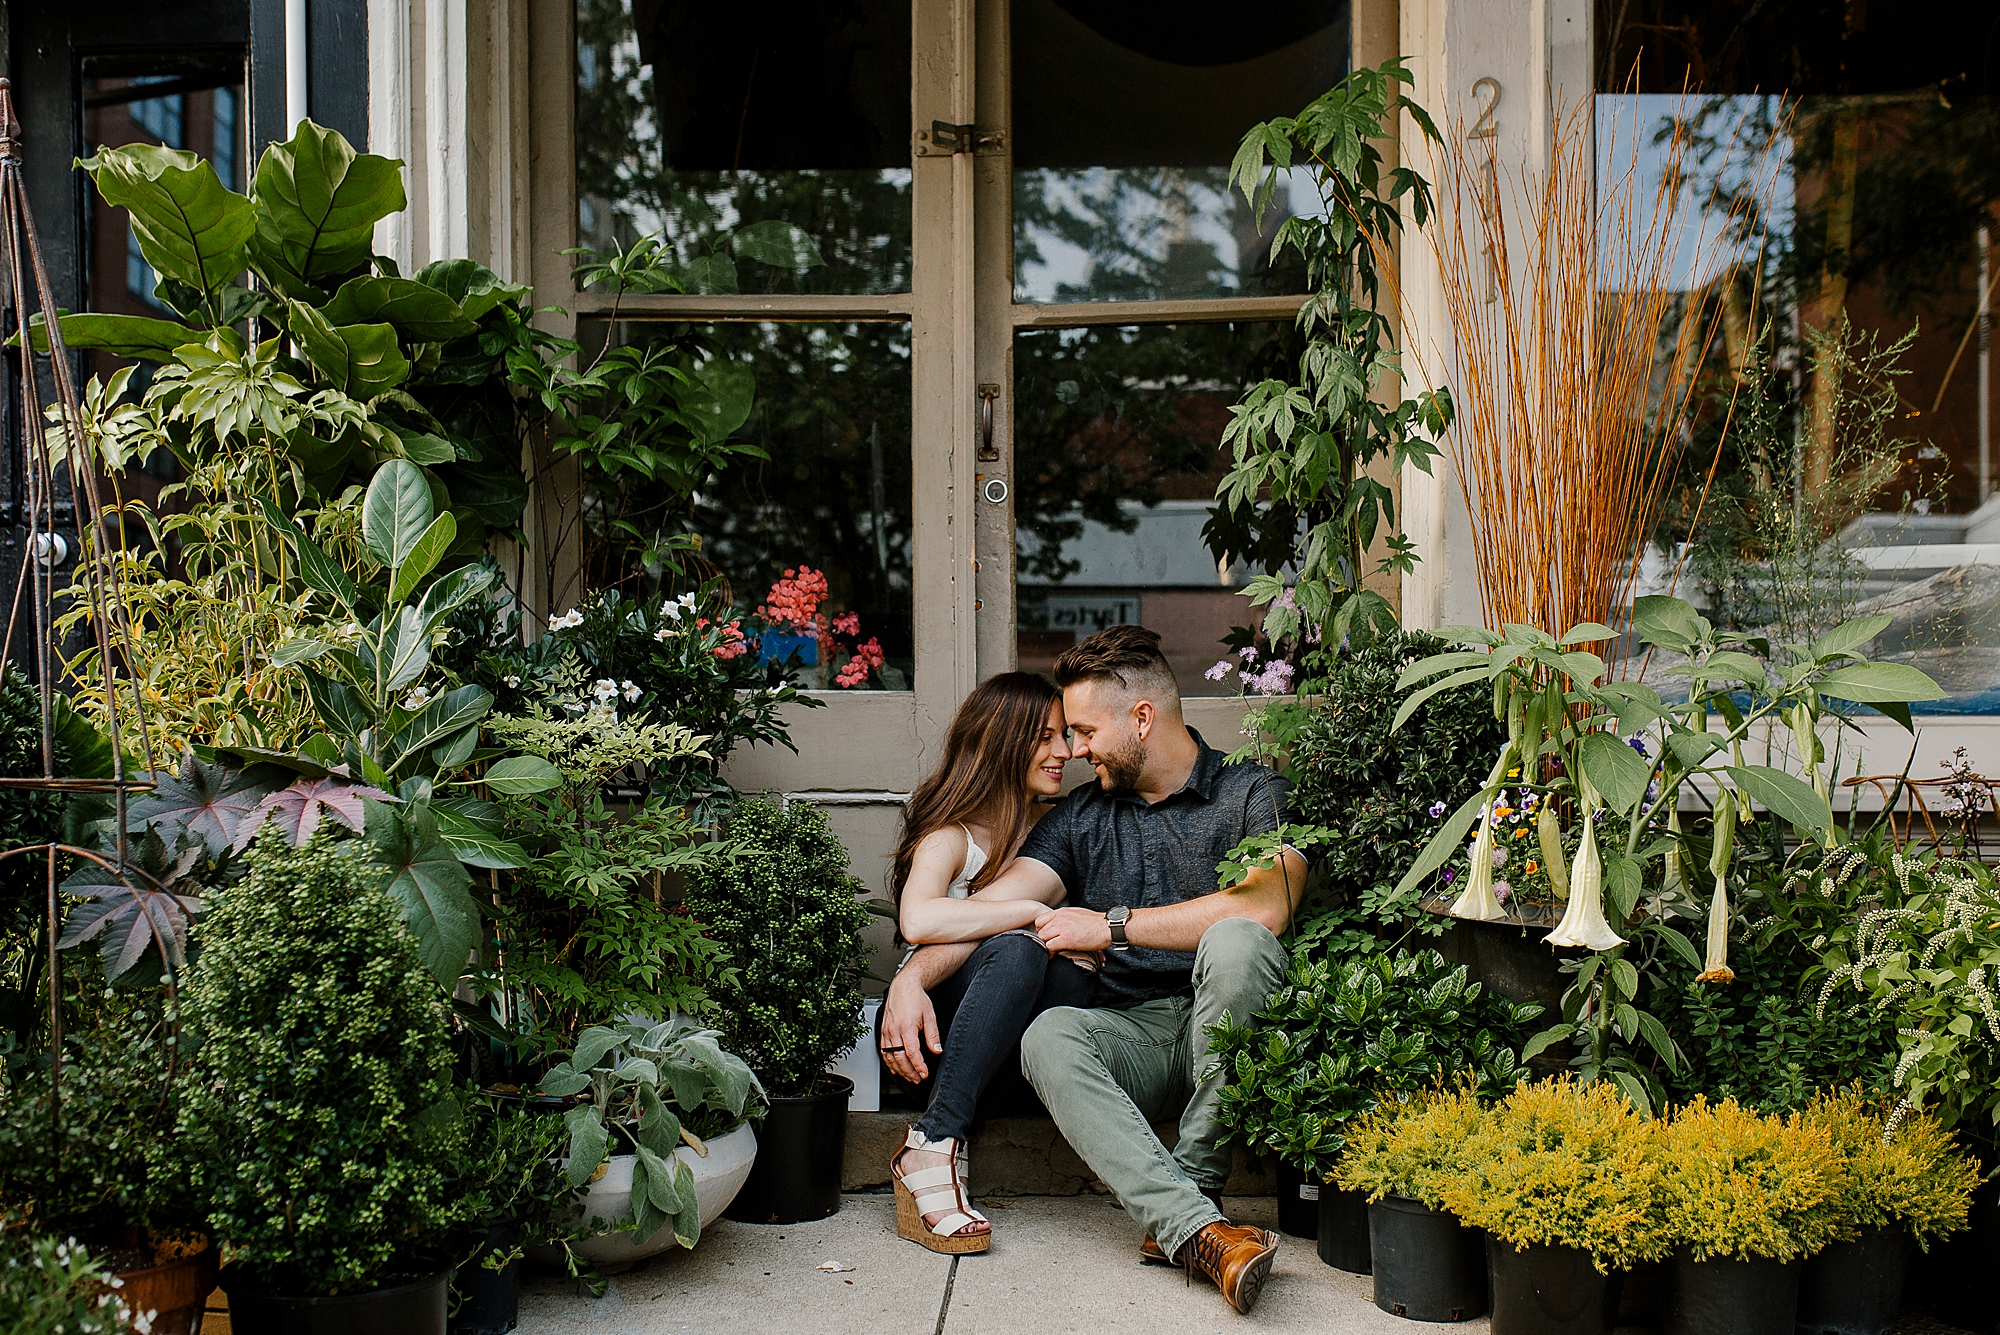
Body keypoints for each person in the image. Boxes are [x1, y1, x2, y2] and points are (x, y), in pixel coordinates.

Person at [881, 626, 1306, 1313]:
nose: (1074, 750)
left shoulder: (1251, 788)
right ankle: (1201, 1229)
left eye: (1081, 730)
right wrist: (911, 979)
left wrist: (1110, 924)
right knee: (1048, 1035)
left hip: (1223, 1027)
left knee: (1236, 940)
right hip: (1129, 1038)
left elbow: (1269, 903)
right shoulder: (1081, 817)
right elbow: (996, 909)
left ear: (1141, 718)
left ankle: (1195, 1189)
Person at [883, 671, 1097, 1255]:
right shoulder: (951, 837)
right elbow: (918, 923)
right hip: (932, 1043)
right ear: (1003, 741)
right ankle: (932, 1140)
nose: (1065, 752)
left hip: (1009, 1059)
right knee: (1021, 947)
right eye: (1046, 737)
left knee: (1069, 969)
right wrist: (1031, 911)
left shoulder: (1058, 830)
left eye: (1068, 736)